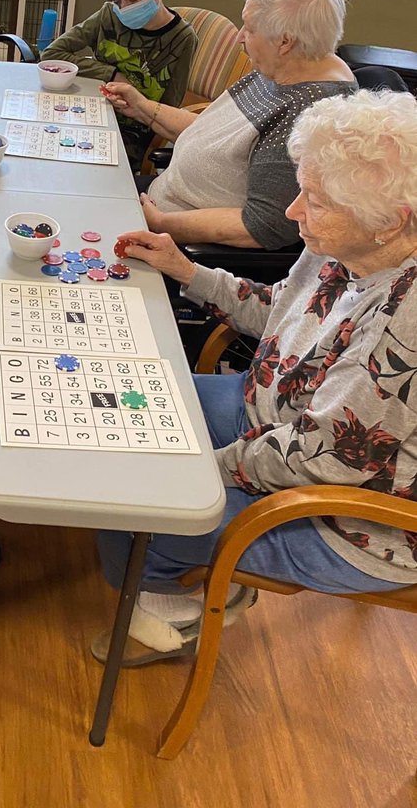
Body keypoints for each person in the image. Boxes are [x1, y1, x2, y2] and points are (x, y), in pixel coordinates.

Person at [95, 89, 417, 666]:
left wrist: (202, 472)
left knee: (138, 498)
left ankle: (171, 611)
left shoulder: (407, 322)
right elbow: (285, 309)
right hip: (271, 422)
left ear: (388, 223)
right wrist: (186, 269)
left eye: (314, 201)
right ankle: (176, 573)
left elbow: (325, 461)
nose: (293, 212)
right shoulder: (346, 242)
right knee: (119, 424)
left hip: (349, 512)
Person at [104, 0, 356, 249]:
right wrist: (142, 108)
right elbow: (214, 135)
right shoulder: (286, 66)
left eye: (249, 28)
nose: (240, 37)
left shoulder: (307, 112)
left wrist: (161, 223)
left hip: (173, 237)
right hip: (159, 198)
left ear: (285, 42)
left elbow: (264, 225)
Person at [40, 0, 197, 169]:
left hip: (133, 135)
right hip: (90, 116)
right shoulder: (109, 15)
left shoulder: (182, 39)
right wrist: (111, 74)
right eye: (117, 0)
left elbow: (167, 111)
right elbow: (52, 53)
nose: (123, 8)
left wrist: (138, 102)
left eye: (132, 0)